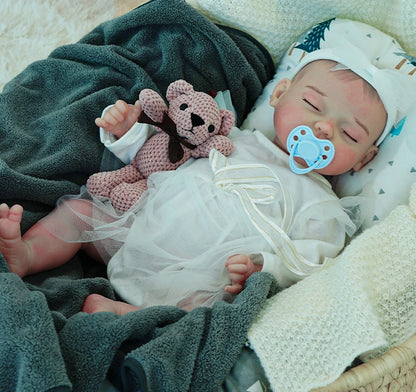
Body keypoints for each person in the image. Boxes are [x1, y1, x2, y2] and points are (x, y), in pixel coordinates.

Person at [0, 56, 390, 312]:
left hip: (202, 273)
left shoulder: (321, 203)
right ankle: (28, 254)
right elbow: (165, 152)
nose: (323, 129)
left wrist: (263, 266)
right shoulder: (230, 134)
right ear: (280, 94)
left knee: (200, 309)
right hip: (139, 226)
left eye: (350, 135)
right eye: (314, 106)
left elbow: (312, 257)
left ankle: (127, 313)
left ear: (364, 159)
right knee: (79, 212)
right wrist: (127, 134)